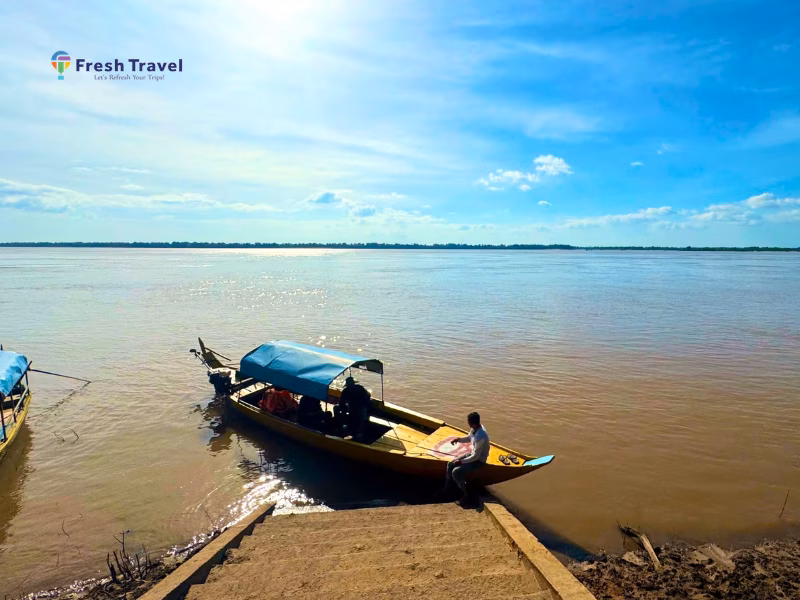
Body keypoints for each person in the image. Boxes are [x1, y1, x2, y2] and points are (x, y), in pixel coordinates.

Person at [444, 412, 489, 507]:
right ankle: (447, 488)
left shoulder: (480, 437)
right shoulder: (474, 429)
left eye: (468, 422)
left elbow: (476, 457)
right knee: (450, 464)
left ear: (472, 423)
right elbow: (469, 438)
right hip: (472, 454)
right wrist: (458, 439)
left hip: (479, 460)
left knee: (456, 471)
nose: (468, 423)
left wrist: (461, 462)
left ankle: (466, 496)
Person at [339, 376, 371, 441]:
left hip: (354, 408)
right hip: (363, 407)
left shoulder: (346, 390)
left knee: (354, 420)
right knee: (361, 421)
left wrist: (344, 410)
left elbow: (341, 402)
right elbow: (368, 395)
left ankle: (347, 429)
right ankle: (360, 435)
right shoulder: (360, 387)